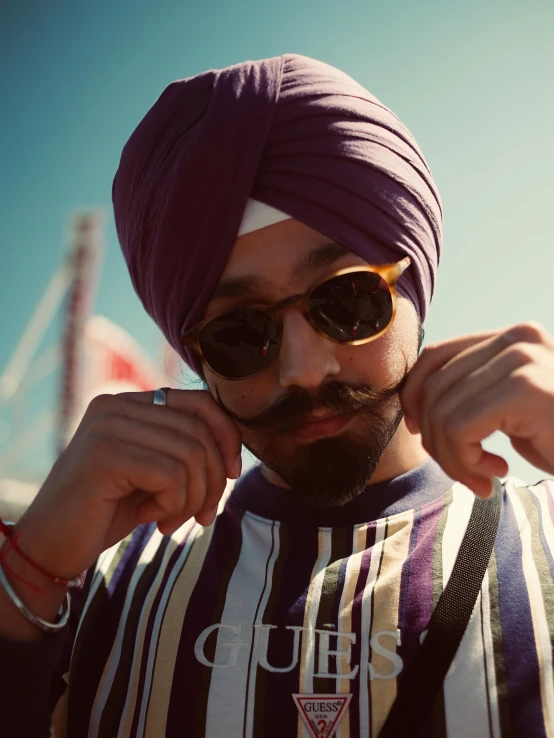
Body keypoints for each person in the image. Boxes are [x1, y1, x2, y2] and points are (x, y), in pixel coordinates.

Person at [1, 54, 553, 738]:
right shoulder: (95, 584)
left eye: (349, 300)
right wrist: (30, 571)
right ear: (193, 354)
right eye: (239, 333)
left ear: (414, 285)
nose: (303, 369)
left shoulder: (547, 545)